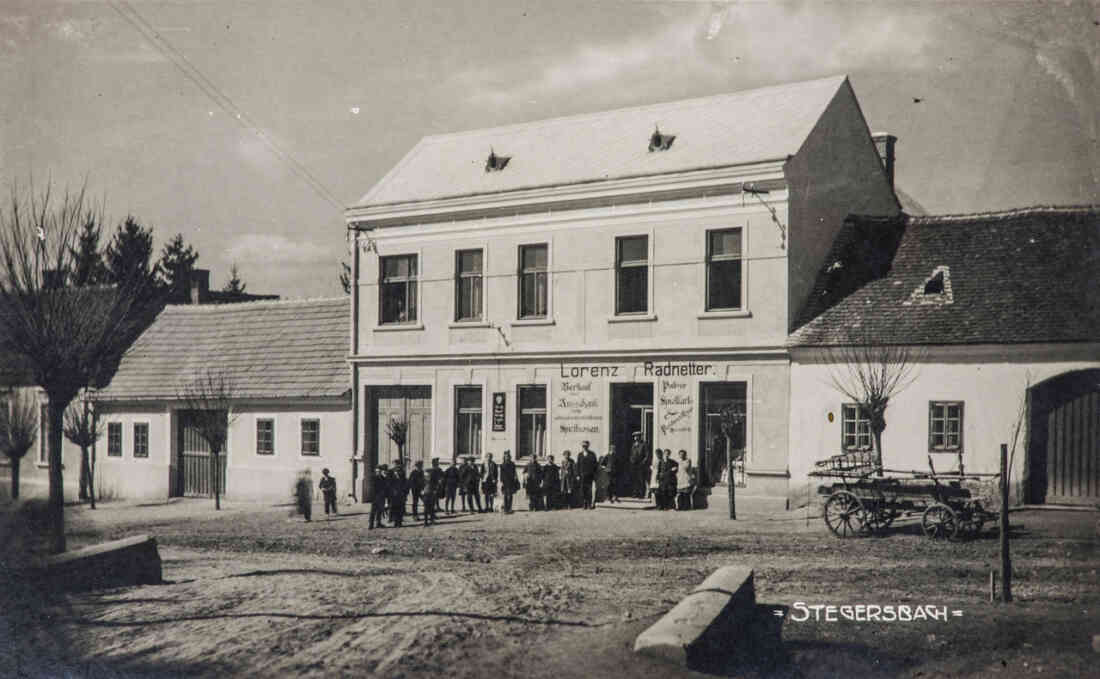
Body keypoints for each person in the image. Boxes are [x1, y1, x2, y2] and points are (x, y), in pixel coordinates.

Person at [577, 441, 598, 510]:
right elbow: (578, 465)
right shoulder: (580, 455)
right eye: (583, 446)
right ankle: (584, 504)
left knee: (589, 490)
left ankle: (589, 504)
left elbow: (595, 465)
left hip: (590, 475)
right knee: (583, 490)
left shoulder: (592, 454)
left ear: (588, 446)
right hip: (582, 475)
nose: (584, 447)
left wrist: (595, 475)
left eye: (586, 446)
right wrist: (577, 475)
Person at [630, 432, 649, 498]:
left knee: (641, 479)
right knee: (634, 479)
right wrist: (631, 460)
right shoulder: (633, 445)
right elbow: (631, 454)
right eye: (634, 436)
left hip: (641, 465)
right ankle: (635, 493)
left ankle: (641, 494)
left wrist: (643, 462)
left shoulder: (643, 444)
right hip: (634, 465)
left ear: (639, 437)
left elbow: (647, 455)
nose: (635, 437)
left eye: (637, 436)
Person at [369, 464, 389, 529]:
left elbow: (385, 487)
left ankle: (378, 523)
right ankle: (371, 524)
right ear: (375, 471)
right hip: (375, 496)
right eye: (377, 470)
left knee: (380, 510)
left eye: (380, 470)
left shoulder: (383, 478)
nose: (378, 472)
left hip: (382, 496)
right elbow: (373, 488)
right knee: (373, 511)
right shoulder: (373, 477)